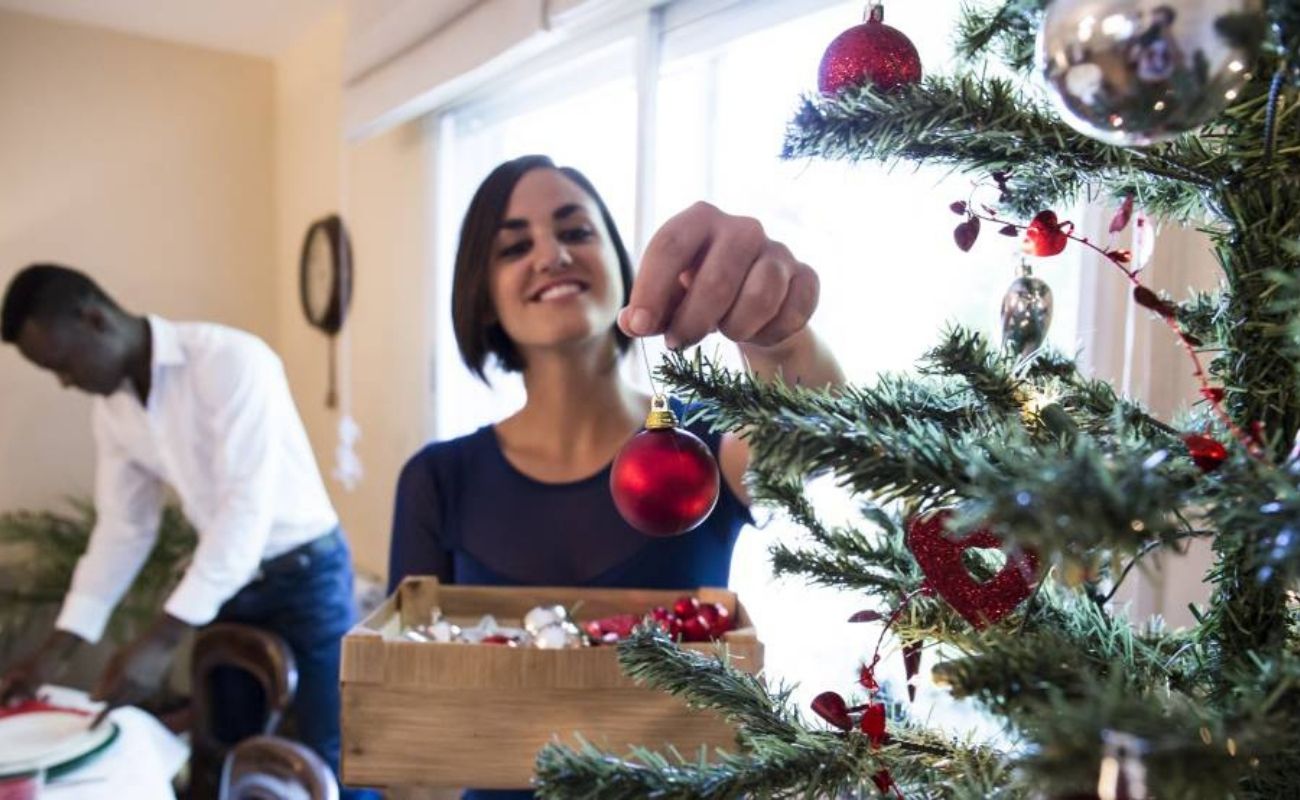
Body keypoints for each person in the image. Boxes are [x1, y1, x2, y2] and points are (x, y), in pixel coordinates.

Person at [388, 154, 845, 799]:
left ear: (623, 267)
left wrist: (778, 338)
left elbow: (815, 435)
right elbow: (408, 735)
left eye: (575, 232)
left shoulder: (702, 448)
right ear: (483, 296)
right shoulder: (437, 480)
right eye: (515, 246)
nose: (551, 256)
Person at [0, 265, 372, 799]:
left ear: (93, 319)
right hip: (227, 585)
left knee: (337, 753)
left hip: (307, 577)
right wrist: (53, 651)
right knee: (225, 754)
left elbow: (245, 512)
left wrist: (159, 641)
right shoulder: (114, 412)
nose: (65, 382)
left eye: (62, 364)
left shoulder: (232, 361)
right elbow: (124, 529)